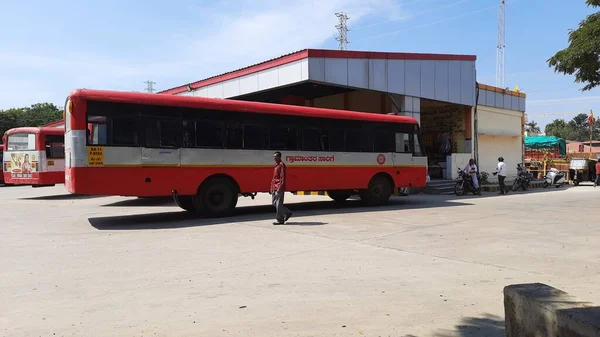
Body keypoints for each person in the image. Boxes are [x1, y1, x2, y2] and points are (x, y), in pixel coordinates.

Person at [271, 151, 292, 224]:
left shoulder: (281, 165)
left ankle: (280, 220)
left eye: (275, 156)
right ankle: (287, 212)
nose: (274, 158)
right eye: (274, 156)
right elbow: (274, 177)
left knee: (278, 203)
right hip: (274, 186)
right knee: (274, 203)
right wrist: (272, 187)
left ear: (279, 157)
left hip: (279, 186)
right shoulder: (275, 165)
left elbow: (282, 177)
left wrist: (280, 186)